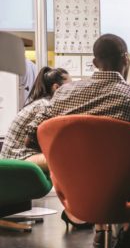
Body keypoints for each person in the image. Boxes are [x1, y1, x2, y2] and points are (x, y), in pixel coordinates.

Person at [24, 34, 130, 248]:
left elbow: (31, 137)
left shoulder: (63, 95)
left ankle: (101, 229)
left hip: (78, 190)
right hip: (126, 189)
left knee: (90, 165)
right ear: (126, 60)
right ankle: (129, 228)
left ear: (94, 63)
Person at [0, 66, 91, 230]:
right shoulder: (44, 106)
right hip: (19, 157)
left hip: (17, 156)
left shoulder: (42, 103)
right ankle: (74, 213)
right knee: (70, 161)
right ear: (56, 87)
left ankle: (75, 211)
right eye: (69, 86)